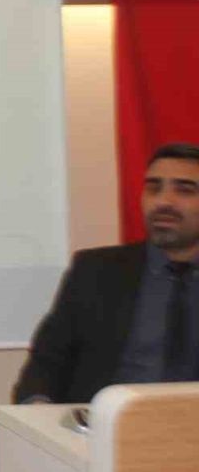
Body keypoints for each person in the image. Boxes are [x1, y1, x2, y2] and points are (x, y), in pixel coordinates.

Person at [13, 142, 199, 404]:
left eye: (185, 190)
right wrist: (38, 411)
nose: (163, 201)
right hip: (104, 423)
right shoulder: (96, 271)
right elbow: (46, 365)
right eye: (153, 188)